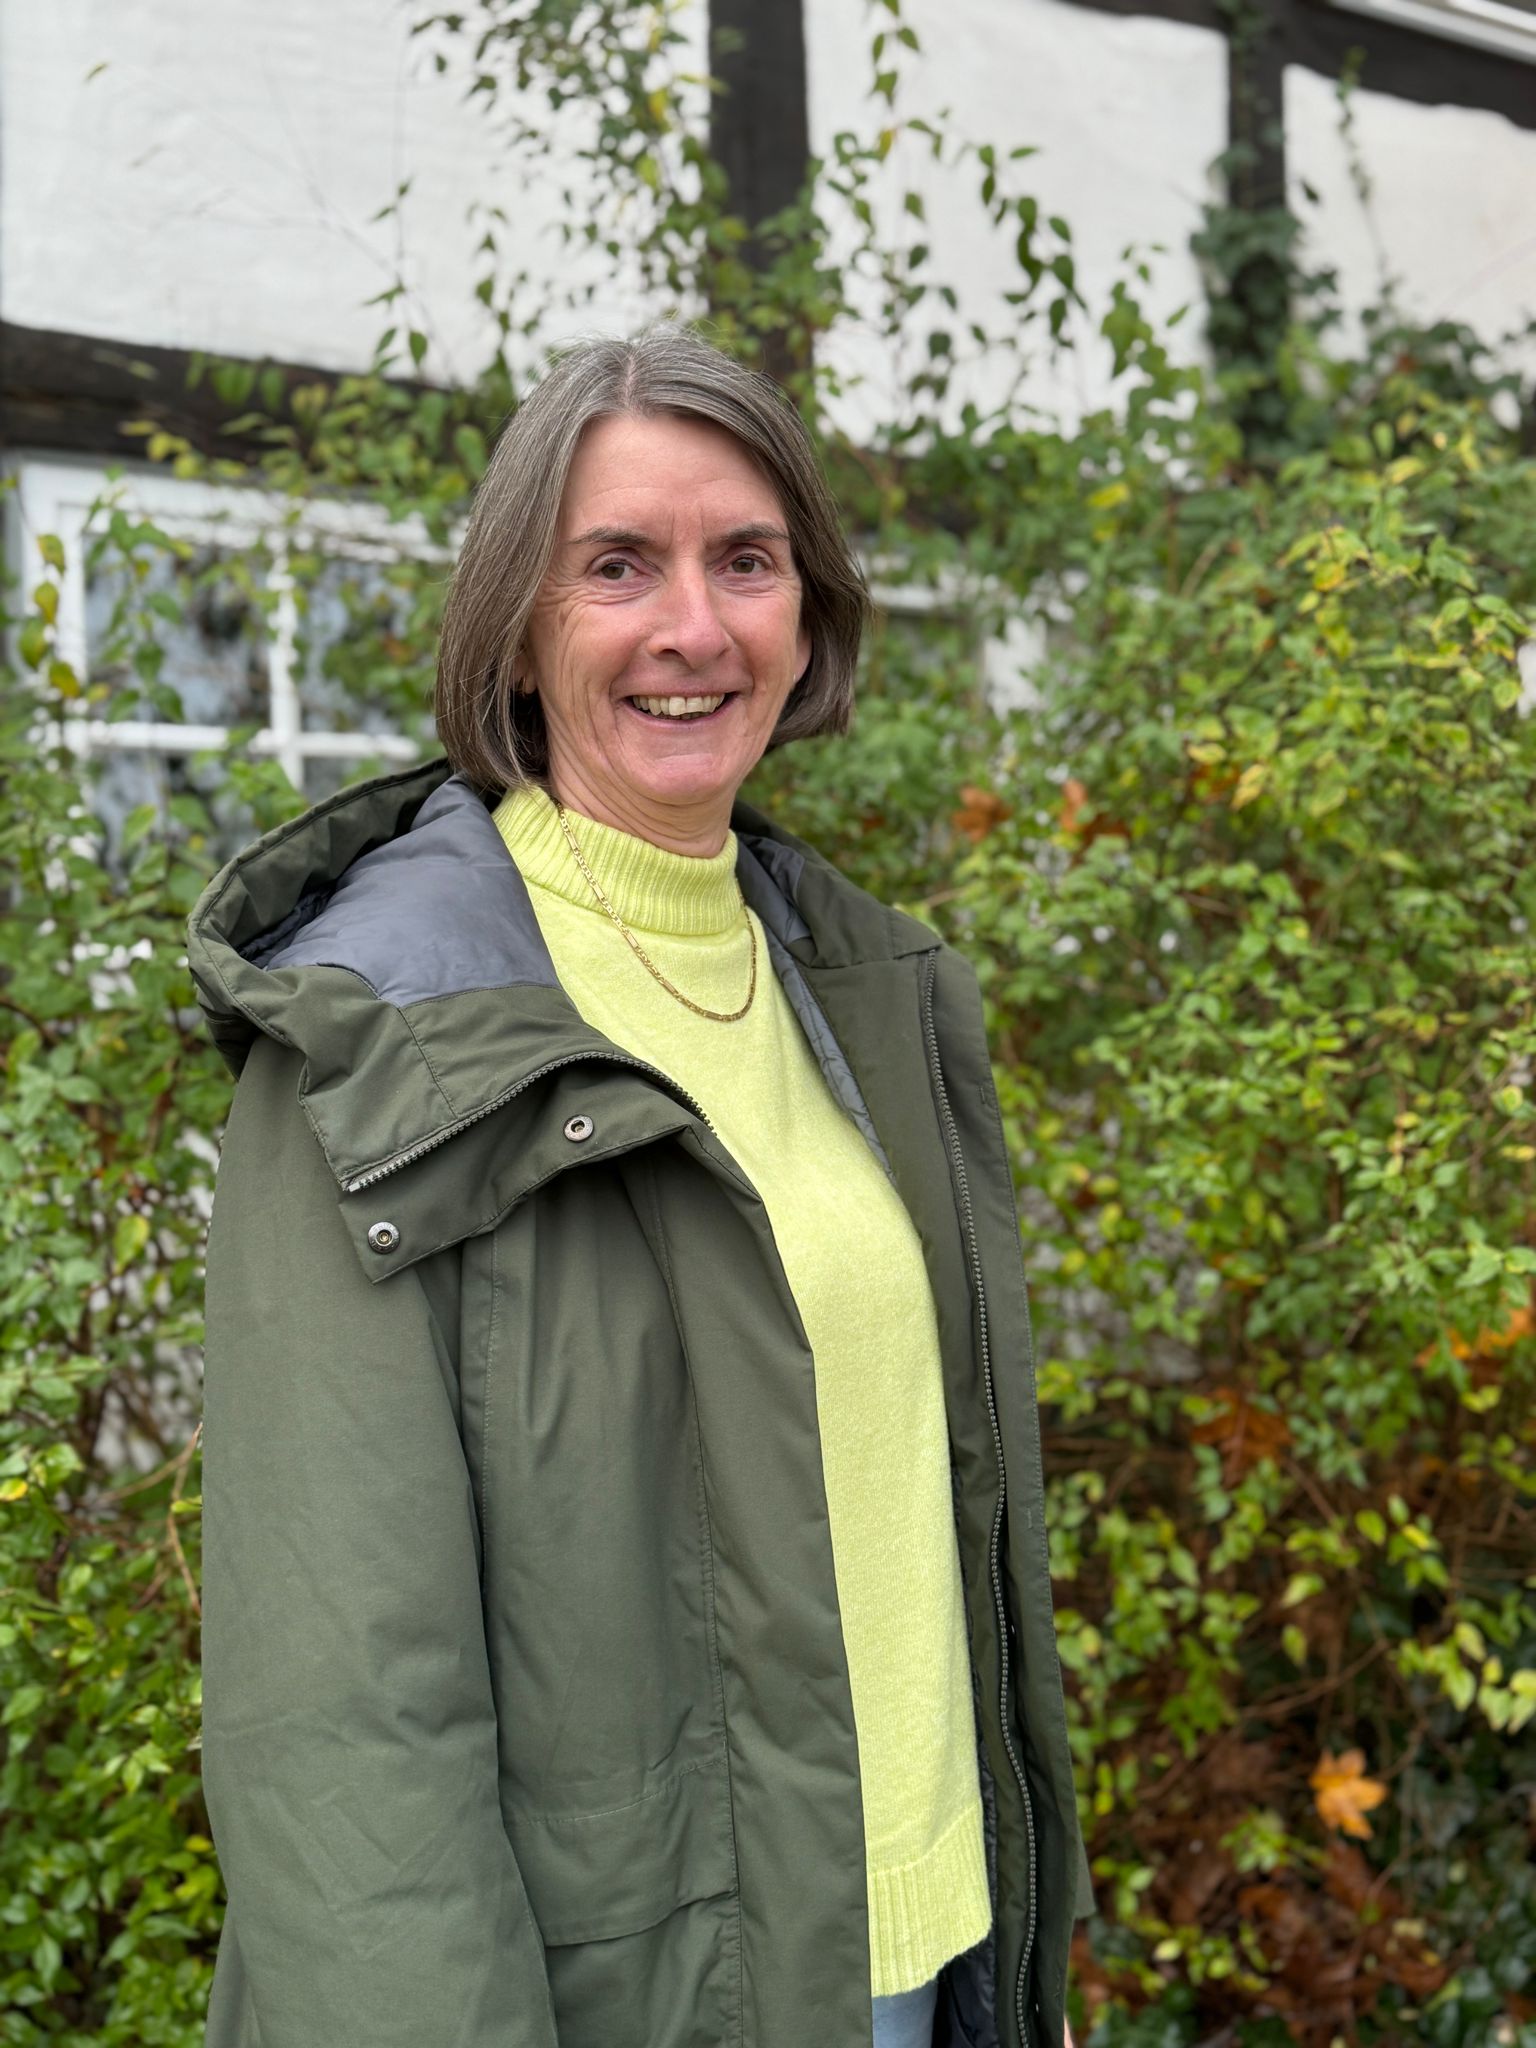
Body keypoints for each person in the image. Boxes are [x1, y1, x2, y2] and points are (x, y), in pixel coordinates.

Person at [187, 326, 1089, 2048]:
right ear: (519, 629)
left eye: (746, 559)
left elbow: (927, 1533)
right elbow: (346, 1734)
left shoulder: (864, 994)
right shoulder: (382, 1043)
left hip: (919, 1958)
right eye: (617, 566)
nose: (694, 626)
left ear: (807, 612)